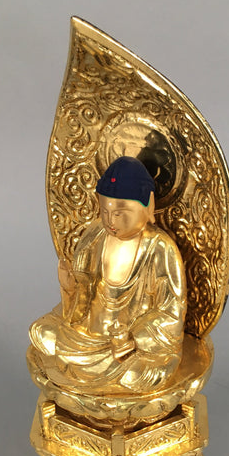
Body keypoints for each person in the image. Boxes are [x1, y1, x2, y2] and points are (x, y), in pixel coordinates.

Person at [29, 156, 186, 394]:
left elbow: (172, 312)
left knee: (137, 375)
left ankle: (88, 369)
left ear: (148, 206)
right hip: (87, 336)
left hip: (129, 349)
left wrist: (133, 340)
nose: (110, 221)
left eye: (120, 213)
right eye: (105, 211)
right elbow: (83, 302)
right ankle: (89, 364)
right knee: (41, 332)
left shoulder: (160, 249)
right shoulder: (95, 235)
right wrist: (70, 288)